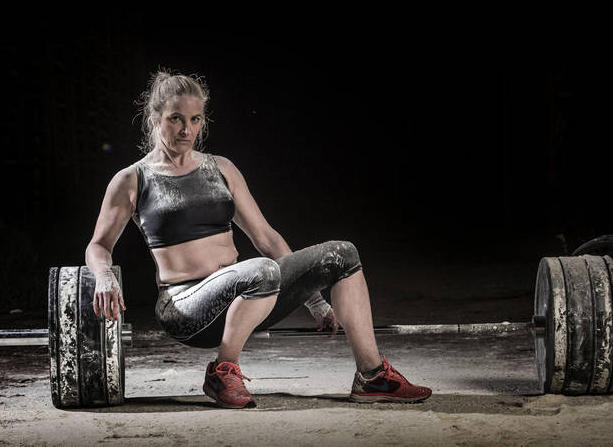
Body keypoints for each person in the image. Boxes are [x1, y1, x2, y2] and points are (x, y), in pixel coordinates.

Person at [84, 68, 431, 408]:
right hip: (185, 309)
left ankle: (371, 377)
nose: (186, 129)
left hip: (248, 298)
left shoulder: (221, 168)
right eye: (176, 118)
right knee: (262, 271)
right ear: (155, 117)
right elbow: (98, 245)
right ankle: (223, 372)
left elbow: (266, 237)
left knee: (342, 254)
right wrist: (102, 275)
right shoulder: (132, 179)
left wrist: (316, 303)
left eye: (195, 119)